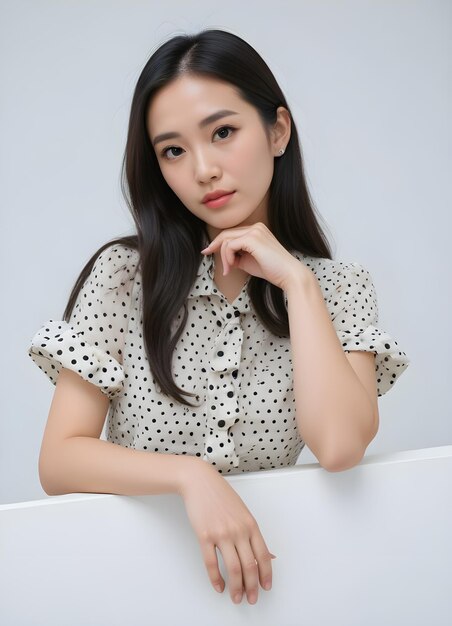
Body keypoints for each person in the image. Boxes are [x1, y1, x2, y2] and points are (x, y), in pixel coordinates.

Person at [27, 28, 410, 606]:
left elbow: (338, 447)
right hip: (131, 588)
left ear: (277, 131)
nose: (202, 169)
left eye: (223, 132)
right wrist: (191, 477)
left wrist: (299, 285)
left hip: (277, 593)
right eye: (173, 150)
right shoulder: (123, 276)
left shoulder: (338, 289)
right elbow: (59, 459)